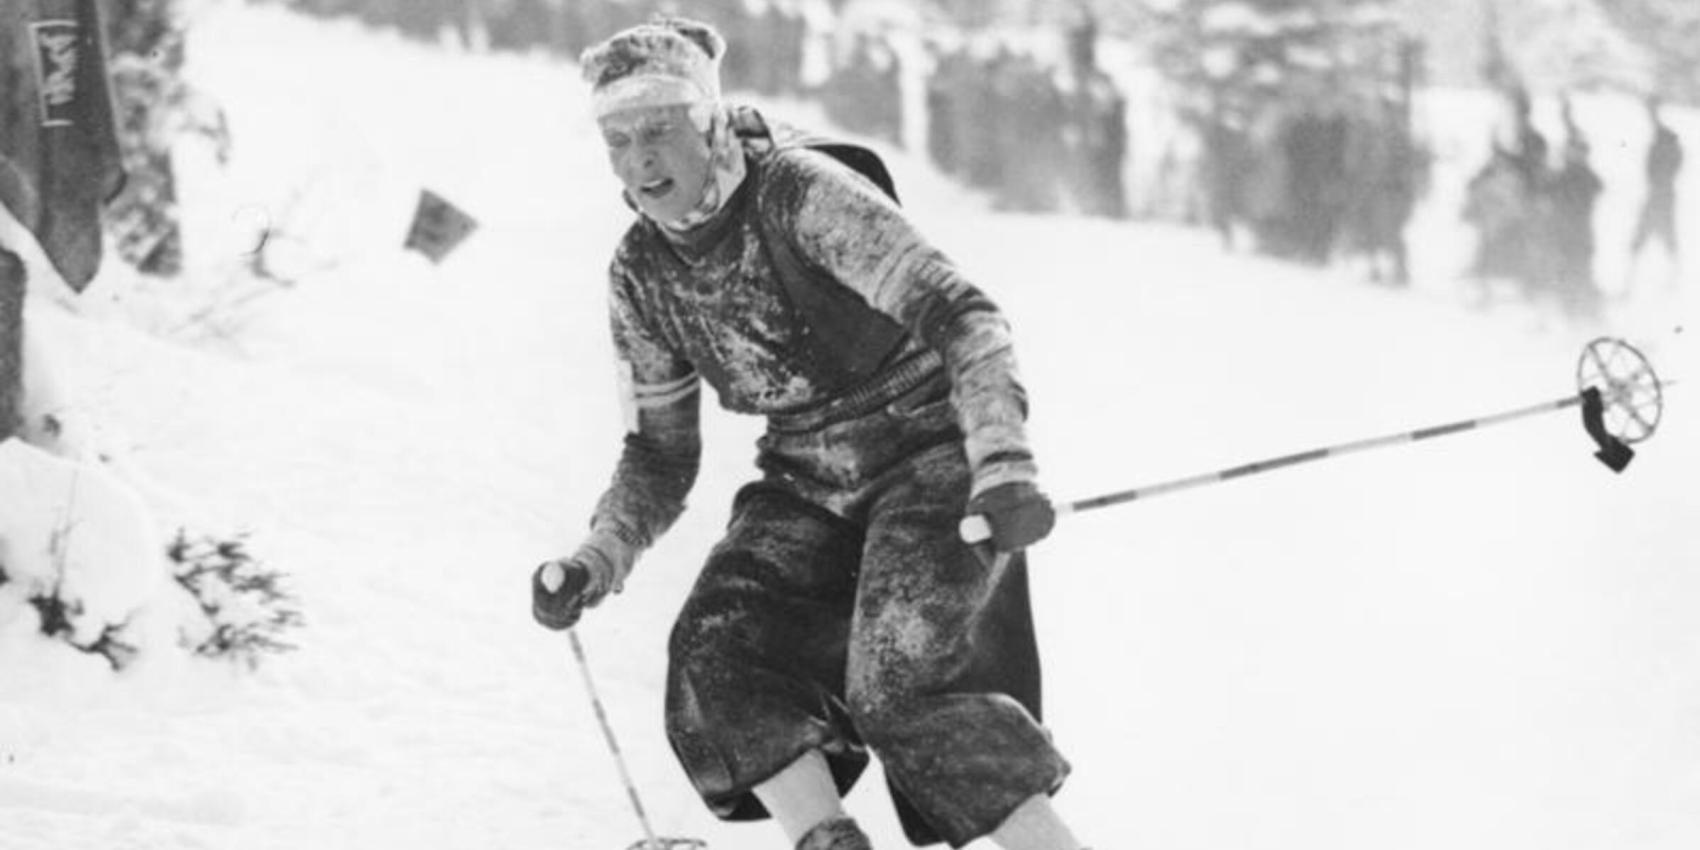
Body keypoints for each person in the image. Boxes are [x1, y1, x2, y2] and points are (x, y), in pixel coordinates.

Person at [530, 17, 1089, 850]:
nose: (640, 161)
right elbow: (659, 452)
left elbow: (963, 316)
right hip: (804, 475)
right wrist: (598, 557)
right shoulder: (642, 273)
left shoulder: (798, 194)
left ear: (709, 120)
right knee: (715, 655)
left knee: (898, 686)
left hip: (928, 453)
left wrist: (1001, 462)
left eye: (658, 130)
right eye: (617, 139)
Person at [1628, 95, 1684, 283]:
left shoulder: (1665, 139)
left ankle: (1671, 279)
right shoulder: (1664, 138)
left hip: (1660, 196)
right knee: (1658, 236)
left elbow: (1670, 167)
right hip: (1660, 194)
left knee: (1652, 235)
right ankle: (1671, 279)